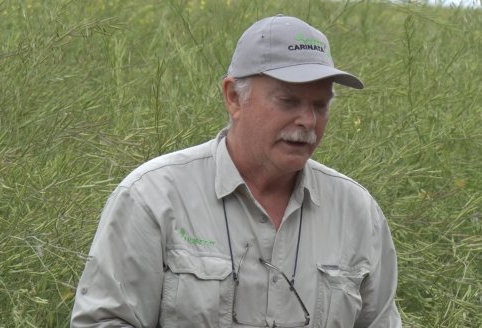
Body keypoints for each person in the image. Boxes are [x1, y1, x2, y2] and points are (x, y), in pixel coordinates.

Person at [71, 14, 402, 328]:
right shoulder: (153, 196)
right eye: (288, 101)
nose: (308, 121)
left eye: (320, 105)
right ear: (234, 97)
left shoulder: (358, 212)